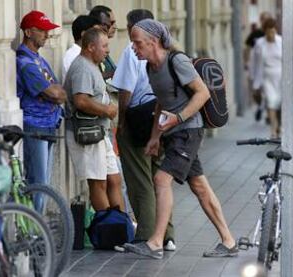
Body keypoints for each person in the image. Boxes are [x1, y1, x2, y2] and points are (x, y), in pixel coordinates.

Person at [121, 19, 237, 259]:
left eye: (137, 42)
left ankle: (155, 242)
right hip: (174, 134)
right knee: (199, 186)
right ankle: (228, 241)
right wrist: (155, 137)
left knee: (161, 179)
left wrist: (178, 118)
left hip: (188, 131)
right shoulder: (150, 68)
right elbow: (161, 102)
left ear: (153, 42)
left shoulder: (178, 61)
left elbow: (202, 93)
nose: (133, 47)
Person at [111, 9, 176, 251]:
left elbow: (125, 91)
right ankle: (167, 235)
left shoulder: (131, 51)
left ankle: (147, 234)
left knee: (140, 180)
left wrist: (122, 122)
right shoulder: (166, 51)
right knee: (160, 179)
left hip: (139, 118)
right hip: (163, 119)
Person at [64, 27, 125, 212]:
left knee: (114, 179)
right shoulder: (82, 67)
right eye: (104, 46)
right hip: (88, 133)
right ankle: (109, 231)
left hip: (100, 132)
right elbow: (81, 100)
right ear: (91, 46)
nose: (107, 50)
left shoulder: (92, 65)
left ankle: (122, 227)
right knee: (98, 184)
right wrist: (107, 110)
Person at [16, 11, 66, 189]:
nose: (47, 34)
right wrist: (56, 93)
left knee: (44, 182)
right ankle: (34, 218)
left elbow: (60, 91)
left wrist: (57, 93)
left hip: (48, 124)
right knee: (39, 183)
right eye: (42, 30)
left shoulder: (38, 59)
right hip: (35, 125)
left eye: (48, 30)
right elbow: (55, 94)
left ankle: (37, 217)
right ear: (28, 32)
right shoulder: (25, 62)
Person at [252, 18, 282, 138]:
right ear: (265, 31)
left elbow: (289, 61)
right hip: (266, 77)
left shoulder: (281, 42)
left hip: (281, 77)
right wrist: (255, 83)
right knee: (271, 102)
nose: (271, 35)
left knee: (279, 104)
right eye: (269, 32)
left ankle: (279, 126)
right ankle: (273, 130)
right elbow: (255, 63)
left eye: (273, 32)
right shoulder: (259, 43)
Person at [244, 11, 271, 122]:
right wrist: (246, 61)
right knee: (256, 93)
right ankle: (261, 105)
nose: (265, 22)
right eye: (264, 19)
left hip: (269, 69)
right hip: (256, 69)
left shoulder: (272, 33)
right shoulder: (255, 34)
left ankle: (269, 115)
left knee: (269, 93)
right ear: (261, 21)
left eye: (267, 19)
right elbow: (247, 48)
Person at [62, 15, 101, 81]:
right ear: (84, 34)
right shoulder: (73, 56)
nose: (99, 37)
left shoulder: (84, 53)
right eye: (95, 33)